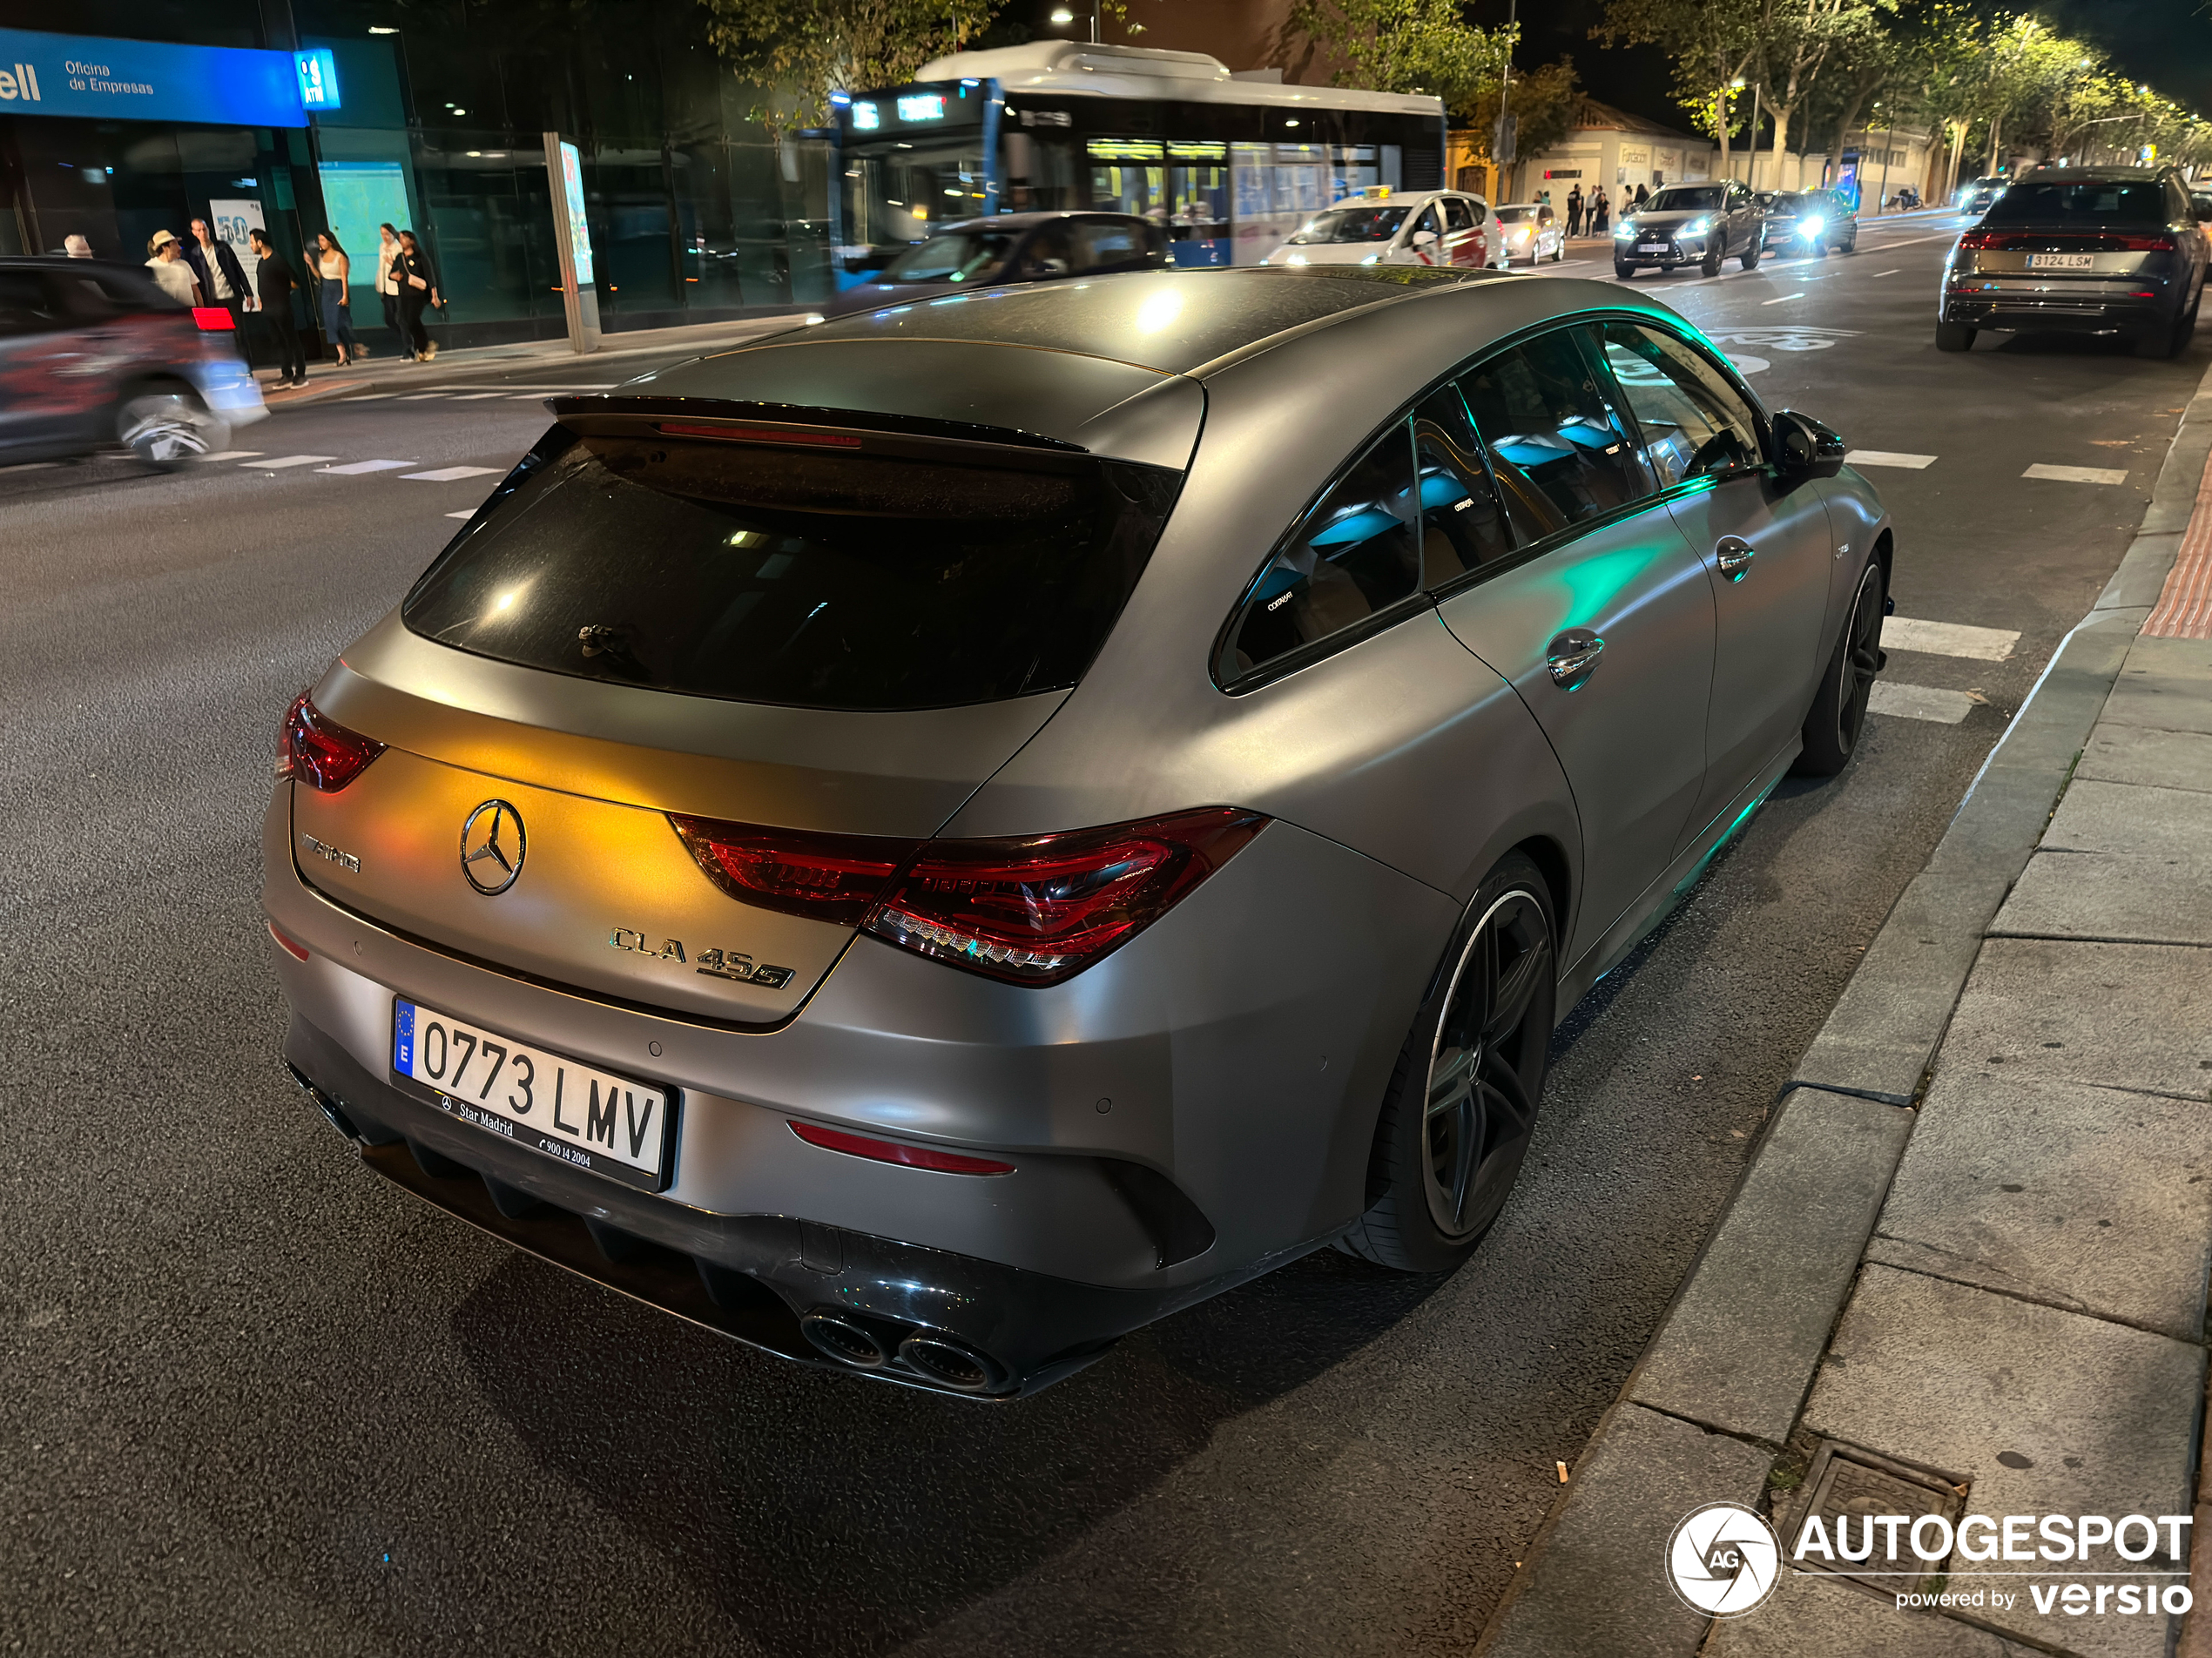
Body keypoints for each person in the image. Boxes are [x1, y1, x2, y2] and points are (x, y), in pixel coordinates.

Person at [183, 217, 251, 361]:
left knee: (239, 334)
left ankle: (247, 368)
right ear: (194, 233)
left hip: (232, 296)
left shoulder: (223, 248)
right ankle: (231, 368)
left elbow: (237, 269)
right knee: (222, 337)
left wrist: (248, 293)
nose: (203, 232)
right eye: (199, 230)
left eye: (204, 229)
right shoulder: (195, 254)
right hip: (213, 300)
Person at [249, 228, 307, 388]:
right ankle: (286, 373)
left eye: (252, 242)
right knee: (278, 342)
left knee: (291, 339)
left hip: (281, 308)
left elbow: (294, 281)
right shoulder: (261, 263)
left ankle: (300, 374)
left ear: (260, 243)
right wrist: (261, 299)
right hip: (268, 310)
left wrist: (282, 291)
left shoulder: (277, 260)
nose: (251, 246)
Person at [312, 231, 359, 367]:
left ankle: (353, 347)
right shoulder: (321, 256)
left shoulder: (340, 257)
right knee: (330, 323)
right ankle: (342, 355)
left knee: (340, 321)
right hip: (326, 291)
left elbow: (344, 278)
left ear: (330, 241)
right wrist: (310, 264)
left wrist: (345, 296)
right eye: (319, 240)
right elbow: (320, 276)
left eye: (322, 240)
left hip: (337, 289)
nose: (320, 243)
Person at [394, 229, 442, 361]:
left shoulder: (420, 256)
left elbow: (430, 277)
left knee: (413, 319)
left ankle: (424, 345)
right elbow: (392, 273)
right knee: (407, 322)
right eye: (400, 238)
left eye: (404, 238)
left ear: (412, 240)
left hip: (418, 295)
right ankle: (422, 347)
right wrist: (395, 276)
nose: (401, 240)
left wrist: (434, 296)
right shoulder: (400, 257)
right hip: (404, 295)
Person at [144, 231, 202, 307]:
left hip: (189, 314)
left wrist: (201, 309)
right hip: (168, 316)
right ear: (164, 248)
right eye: (175, 244)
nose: (179, 247)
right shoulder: (150, 267)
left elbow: (195, 289)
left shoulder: (184, 264)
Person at [373, 222, 406, 353]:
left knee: (401, 317)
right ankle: (406, 338)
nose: (384, 237)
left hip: (397, 288)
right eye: (382, 234)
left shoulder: (398, 248)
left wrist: (391, 261)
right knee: (389, 318)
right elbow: (381, 268)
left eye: (387, 234)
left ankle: (409, 343)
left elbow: (402, 268)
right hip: (385, 287)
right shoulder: (382, 247)